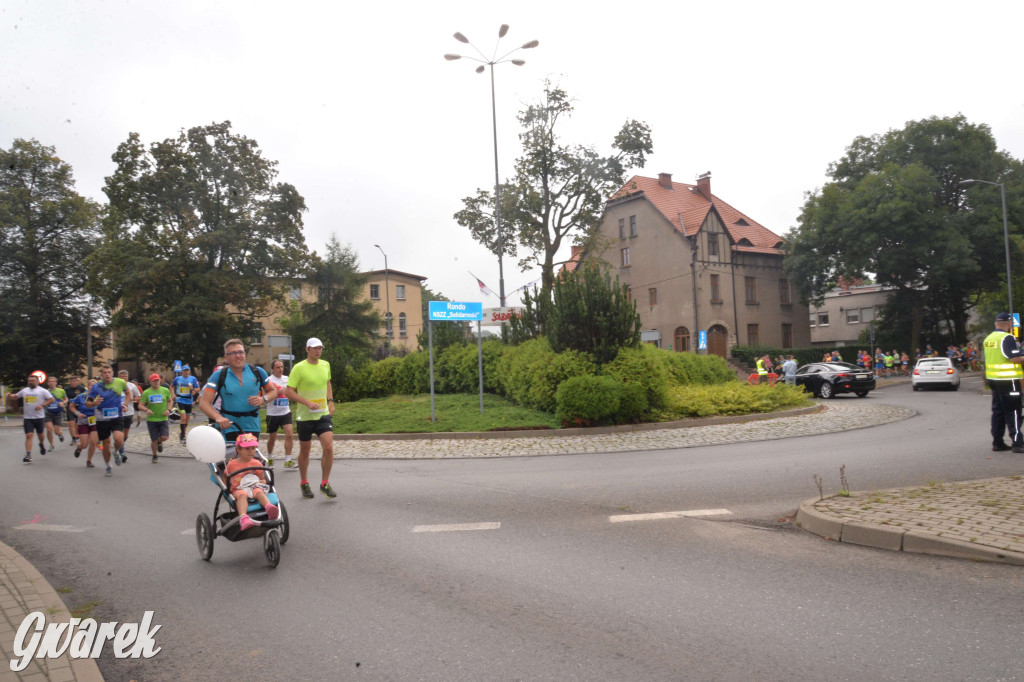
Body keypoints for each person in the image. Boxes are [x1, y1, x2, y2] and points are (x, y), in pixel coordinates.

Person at [198, 338, 276, 452]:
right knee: (234, 461)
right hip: (230, 425)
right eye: (233, 353)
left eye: (240, 352)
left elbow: (273, 391)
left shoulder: (257, 371)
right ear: (226, 357)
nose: (238, 356)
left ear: (245, 354)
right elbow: (204, 403)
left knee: (250, 459)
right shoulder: (219, 375)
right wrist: (218, 417)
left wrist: (263, 399)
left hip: (252, 424)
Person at [284, 337, 337, 499]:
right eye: (314, 348)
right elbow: (289, 391)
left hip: (322, 414)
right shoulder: (299, 368)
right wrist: (306, 402)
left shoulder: (325, 364)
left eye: (320, 348)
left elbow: (327, 383)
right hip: (304, 416)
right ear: (307, 349)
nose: (318, 351)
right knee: (305, 451)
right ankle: (304, 482)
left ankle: (324, 483)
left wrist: (331, 402)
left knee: (328, 447)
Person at [983, 312, 1024, 453]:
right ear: (1008, 324)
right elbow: (1015, 359)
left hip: (994, 380)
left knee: (998, 411)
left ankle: (998, 442)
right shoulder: (1007, 338)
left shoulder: (988, 339)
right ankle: (1018, 443)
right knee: (1014, 411)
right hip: (1009, 380)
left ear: (995, 323)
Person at [224, 433, 280, 531]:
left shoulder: (256, 463)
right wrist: (226, 488)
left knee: (258, 491)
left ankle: (269, 507)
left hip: (253, 486)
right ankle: (243, 518)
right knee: (242, 494)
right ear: (239, 450)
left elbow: (262, 478)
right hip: (239, 488)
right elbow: (225, 476)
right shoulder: (232, 465)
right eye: (247, 449)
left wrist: (261, 482)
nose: (251, 451)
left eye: (253, 448)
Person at [85, 364, 128, 477]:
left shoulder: (120, 382)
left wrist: (125, 404)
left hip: (117, 415)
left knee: (119, 438)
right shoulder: (96, 387)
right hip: (102, 418)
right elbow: (87, 403)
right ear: (101, 375)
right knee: (106, 443)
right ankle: (108, 466)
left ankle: (117, 452)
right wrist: (95, 403)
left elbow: (128, 393)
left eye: (109, 372)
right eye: (105, 373)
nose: (107, 374)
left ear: (112, 373)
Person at [6, 373, 55, 463]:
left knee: (41, 435)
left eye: (32, 381)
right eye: (29, 381)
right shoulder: (25, 390)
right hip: (28, 418)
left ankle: (41, 444)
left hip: (39, 417)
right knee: (29, 435)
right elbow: (16, 397)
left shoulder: (42, 391)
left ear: (37, 381)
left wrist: (42, 405)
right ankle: (28, 455)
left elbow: (52, 399)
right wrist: (9, 395)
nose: (30, 382)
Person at [265, 359, 295, 468]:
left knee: (290, 435)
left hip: (285, 411)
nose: (280, 369)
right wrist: (277, 392)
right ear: (273, 369)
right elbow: (265, 397)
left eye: (282, 367)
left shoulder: (287, 379)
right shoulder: (268, 380)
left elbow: (292, 391)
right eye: (277, 367)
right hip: (273, 413)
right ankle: (269, 457)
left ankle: (288, 460)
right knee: (272, 437)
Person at [139, 373, 172, 463]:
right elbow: (140, 405)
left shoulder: (165, 390)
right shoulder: (147, 392)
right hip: (152, 419)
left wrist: (168, 410)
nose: (156, 382)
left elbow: (170, 401)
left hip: (163, 418)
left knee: (164, 437)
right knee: (153, 439)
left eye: (157, 380)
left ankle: (159, 442)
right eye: (154, 381)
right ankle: (155, 455)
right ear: (151, 382)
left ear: (159, 380)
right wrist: (146, 410)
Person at [69, 382, 99, 467]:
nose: (92, 387)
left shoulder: (99, 396)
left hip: (94, 420)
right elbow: (71, 406)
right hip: (83, 420)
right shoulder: (81, 396)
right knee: (85, 444)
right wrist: (78, 413)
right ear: (88, 386)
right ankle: (79, 448)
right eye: (91, 385)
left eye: (94, 386)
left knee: (93, 442)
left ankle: (89, 461)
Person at [171, 365, 201, 444]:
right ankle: (183, 436)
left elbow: (198, 390)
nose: (186, 372)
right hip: (180, 399)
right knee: (183, 417)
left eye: (187, 370)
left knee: (187, 419)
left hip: (189, 400)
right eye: (184, 370)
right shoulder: (177, 379)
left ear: (189, 371)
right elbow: (171, 386)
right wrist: (173, 394)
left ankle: (182, 432)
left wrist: (193, 389)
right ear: (182, 371)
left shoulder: (193, 379)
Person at [117, 369, 142, 463]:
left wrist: (133, 398)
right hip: (118, 413)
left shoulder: (132, 386)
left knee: (126, 434)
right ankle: (122, 452)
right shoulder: (115, 385)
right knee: (119, 433)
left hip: (129, 412)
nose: (123, 378)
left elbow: (139, 397)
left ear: (128, 377)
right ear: (118, 377)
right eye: (121, 377)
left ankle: (120, 446)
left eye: (125, 377)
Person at [43, 376, 67, 452]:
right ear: (47, 383)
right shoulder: (45, 391)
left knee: (56, 431)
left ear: (56, 383)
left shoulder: (61, 391)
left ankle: (60, 434)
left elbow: (66, 399)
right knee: (49, 429)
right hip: (48, 412)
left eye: (53, 381)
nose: (51, 383)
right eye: (50, 381)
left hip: (58, 412)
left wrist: (62, 403)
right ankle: (51, 445)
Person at [64, 375, 86, 447]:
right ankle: (73, 438)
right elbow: (64, 398)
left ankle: (77, 436)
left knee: (77, 424)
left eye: (74, 381)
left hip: (79, 408)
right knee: (71, 423)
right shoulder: (66, 389)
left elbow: (85, 396)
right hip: (70, 408)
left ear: (77, 381)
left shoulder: (81, 388)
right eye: (71, 381)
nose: (72, 382)